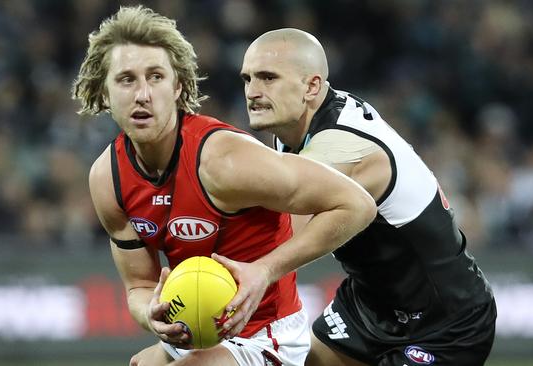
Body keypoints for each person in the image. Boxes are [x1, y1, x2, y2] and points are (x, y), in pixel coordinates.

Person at [72, 7, 376, 366]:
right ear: (104, 93)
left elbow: (357, 204)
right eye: (126, 79)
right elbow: (139, 285)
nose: (142, 94)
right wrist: (150, 315)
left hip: (266, 332)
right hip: (194, 329)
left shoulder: (224, 159)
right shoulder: (108, 178)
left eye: (155, 77)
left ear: (178, 87)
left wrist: (266, 270)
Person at [240, 28, 497, 366]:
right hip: (368, 307)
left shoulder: (342, 145)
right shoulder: (293, 130)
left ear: (312, 86)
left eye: (268, 78)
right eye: (247, 79)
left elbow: (282, 234)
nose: (252, 92)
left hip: (447, 322)